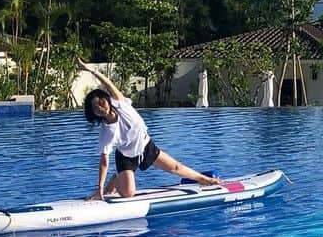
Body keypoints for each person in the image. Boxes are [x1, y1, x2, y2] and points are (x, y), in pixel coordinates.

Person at [79, 59, 224, 200]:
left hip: (145, 146)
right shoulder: (106, 133)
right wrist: (99, 188)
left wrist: (92, 70)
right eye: (95, 108)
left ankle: (203, 179)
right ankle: (116, 180)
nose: (100, 108)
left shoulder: (120, 103)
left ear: (107, 99)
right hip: (126, 157)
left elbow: (109, 84)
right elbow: (104, 162)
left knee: (175, 167)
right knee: (128, 193)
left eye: (100, 102)